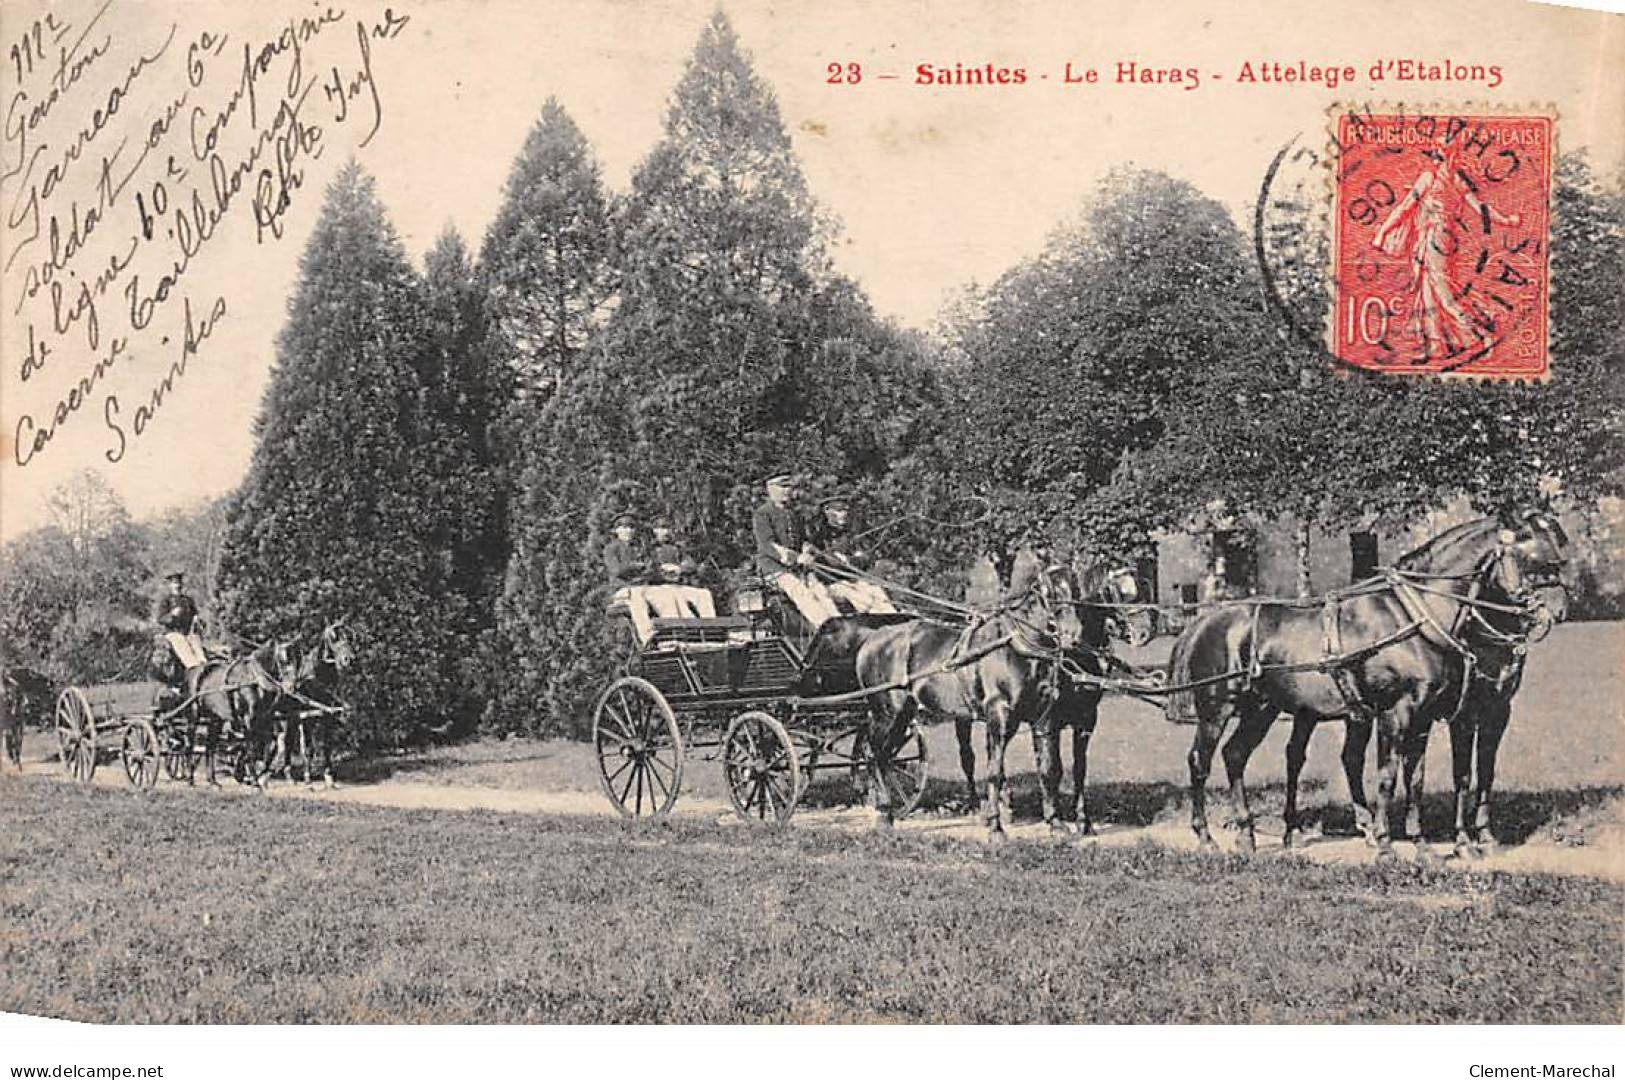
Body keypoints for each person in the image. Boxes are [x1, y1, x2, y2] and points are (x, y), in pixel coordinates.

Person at [752, 473, 840, 629]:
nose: (787, 490)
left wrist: (806, 551)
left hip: (798, 568)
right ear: (770, 489)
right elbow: (767, 544)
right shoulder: (762, 513)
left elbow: (803, 540)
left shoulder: (794, 514)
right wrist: (796, 557)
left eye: (789, 487)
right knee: (799, 591)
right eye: (783, 487)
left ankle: (840, 625)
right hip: (773, 569)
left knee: (820, 591)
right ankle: (824, 628)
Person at [806, 495, 895, 614]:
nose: (844, 514)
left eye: (846, 510)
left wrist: (851, 560)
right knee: (860, 597)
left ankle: (893, 617)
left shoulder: (851, 533)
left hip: (855, 579)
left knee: (875, 590)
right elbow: (828, 562)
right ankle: (876, 620)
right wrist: (845, 560)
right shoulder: (819, 536)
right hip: (832, 584)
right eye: (839, 510)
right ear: (827, 510)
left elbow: (866, 557)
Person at [645, 516, 716, 619]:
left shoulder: (677, 548)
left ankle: (711, 626)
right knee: (677, 602)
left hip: (679, 585)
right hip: (659, 587)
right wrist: (662, 569)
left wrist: (680, 568)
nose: (665, 532)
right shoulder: (649, 549)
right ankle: (687, 629)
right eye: (661, 528)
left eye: (667, 528)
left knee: (704, 594)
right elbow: (646, 569)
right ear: (654, 530)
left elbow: (691, 565)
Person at [603, 514, 657, 642]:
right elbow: (617, 570)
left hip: (641, 587)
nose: (629, 531)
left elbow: (650, 568)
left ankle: (675, 633)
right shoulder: (611, 549)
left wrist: (647, 570)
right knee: (636, 597)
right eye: (624, 527)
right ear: (616, 530)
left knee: (665, 594)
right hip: (621, 590)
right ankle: (647, 636)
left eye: (631, 528)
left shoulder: (639, 549)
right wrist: (636, 567)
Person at [152, 571, 207, 685]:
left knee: (199, 649)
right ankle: (193, 670)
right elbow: (160, 618)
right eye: (174, 583)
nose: (177, 585)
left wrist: (197, 620)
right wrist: (172, 614)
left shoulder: (188, 600)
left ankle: (203, 667)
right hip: (174, 633)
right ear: (170, 585)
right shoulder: (166, 601)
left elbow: (195, 614)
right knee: (186, 654)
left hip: (189, 633)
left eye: (179, 583)